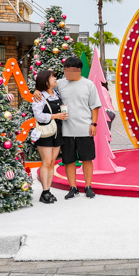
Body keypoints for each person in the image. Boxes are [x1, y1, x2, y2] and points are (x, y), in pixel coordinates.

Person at [36, 57, 102, 199]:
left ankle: (88, 186)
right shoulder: (60, 83)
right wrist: (36, 91)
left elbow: (95, 106)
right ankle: (73, 187)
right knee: (69, 160)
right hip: (65, 130)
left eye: (69, 70)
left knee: (87, 159)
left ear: (78, 70)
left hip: (85, 128)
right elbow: (44, 85)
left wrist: (94, 124)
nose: (66, 73)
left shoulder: (89, 84)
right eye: (65, 70)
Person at [31, 69, 66, 204]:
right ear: (46, 81)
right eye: (52, 77)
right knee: (46, 162)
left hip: (57, 131)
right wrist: (55, 116)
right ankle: (44, 192)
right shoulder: (39, 96)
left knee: (52, 162)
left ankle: (48, 190)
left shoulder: (56, 93)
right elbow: (38, 116)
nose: (55, 79)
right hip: (45, 133)